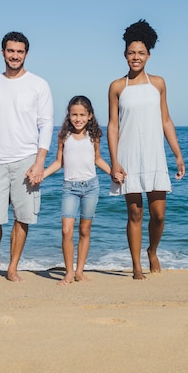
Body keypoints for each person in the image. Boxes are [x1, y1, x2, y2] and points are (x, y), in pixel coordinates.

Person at [0, 31, 54, 282]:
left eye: (19, 51)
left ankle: (13, 267)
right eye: (10, 51)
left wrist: (40, 162)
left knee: (23, 216)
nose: (15, 56)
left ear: (26, 54)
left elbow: (46, 125)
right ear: (3, 52)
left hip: (27, 159)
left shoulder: (39, 84)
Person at [107, 19, 186, 280]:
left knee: (159, 215)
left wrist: (177, 154)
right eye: (131, 53)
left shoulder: (159, 84)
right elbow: (113, 126)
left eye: (141, 53)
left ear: (149, 55)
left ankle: (152, 250)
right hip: (128, 156)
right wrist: (114, 162)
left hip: (154, 155)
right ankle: (137, 266)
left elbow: (166, 120)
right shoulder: (118, 87)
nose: (136, 57)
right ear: (125, 55)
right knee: (135, 212)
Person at [44, 96, 112, 285]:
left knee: (84, 230)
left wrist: (113, 172)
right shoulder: (63, 136)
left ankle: (79, 272)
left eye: (82, 114)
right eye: (74, 114)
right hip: (70, 188)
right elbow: (59, 162)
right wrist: (42, 174)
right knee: (66, 231)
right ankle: (68, 272)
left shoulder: (94, 136)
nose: (78, 118)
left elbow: (97, 160)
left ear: (89, 116)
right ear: (69, 115)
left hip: (91, 187)